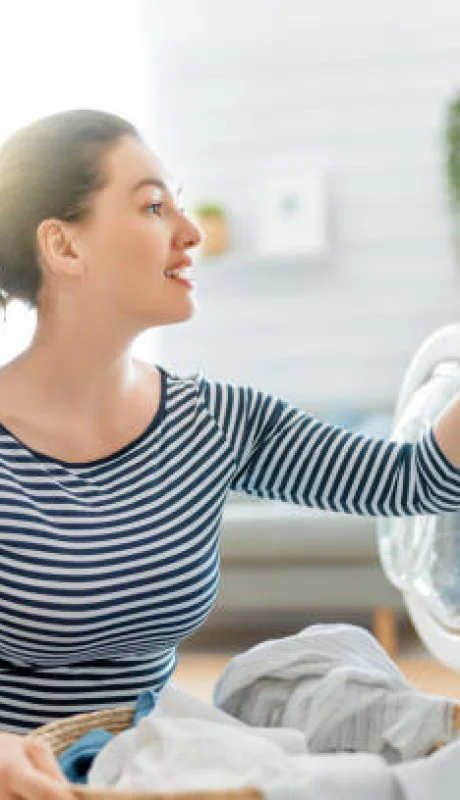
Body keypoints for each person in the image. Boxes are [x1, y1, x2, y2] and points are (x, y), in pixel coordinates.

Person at [0, 108, 459, 799]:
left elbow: (413, 482)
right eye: (154, 206)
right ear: (64, 248)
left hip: (157, 772)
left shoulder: (213, 419)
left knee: (302, 670)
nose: (189, 234)